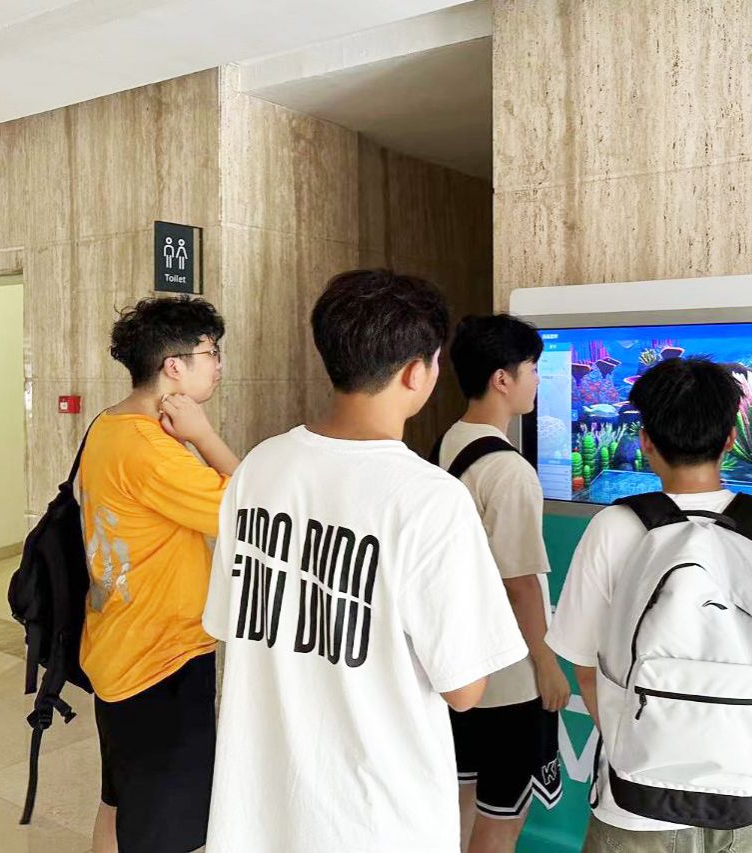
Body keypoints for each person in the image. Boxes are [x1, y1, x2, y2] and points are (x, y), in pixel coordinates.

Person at [202, 270, 528, 853]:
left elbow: (233, 624)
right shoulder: (429, 500)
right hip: (379, 820)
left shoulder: (258, 468)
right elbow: (465, 689)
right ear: (416, 373)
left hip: (259, 814)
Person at [546, 356, 752, 853]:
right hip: (747, 792)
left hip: (634, 800)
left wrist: (639, 743)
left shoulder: (613, 528)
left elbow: (584, 665)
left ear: (646, 440)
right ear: (731, 438)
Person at [79, 295, 239, 853]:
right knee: (164, 831)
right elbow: (251, 509)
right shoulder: (151, 448)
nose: (218, 366)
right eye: (211, 353)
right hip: (160, 660)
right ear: (174, 366)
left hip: (118, 648)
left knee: (119, 804)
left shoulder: (109, 425)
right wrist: (203, 436)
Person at [435, 314, 569, 853]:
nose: (538, 379)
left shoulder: (448, 442)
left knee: (462, 806)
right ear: (502, 379)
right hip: (510, 678)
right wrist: (548, 665)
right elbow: (521, 585)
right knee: (502, 820)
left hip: (458, 666)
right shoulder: (510, 471)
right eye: (532, 368)